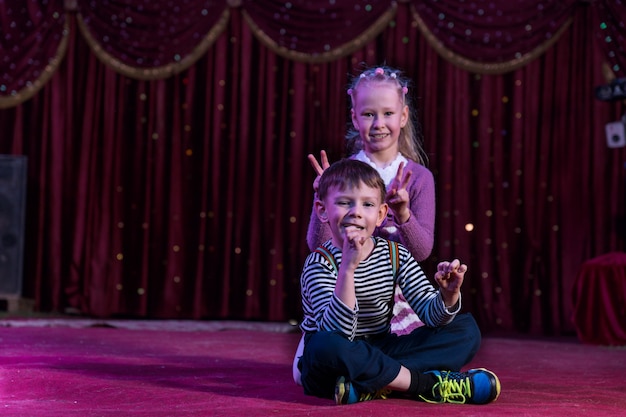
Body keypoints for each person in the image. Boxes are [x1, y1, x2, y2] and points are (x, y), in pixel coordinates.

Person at [297, 158, 500, 405]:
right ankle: (427, 385)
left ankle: (370, 384)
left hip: (381, 349)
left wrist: (448, 296)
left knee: (466, 330)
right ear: (322, 210)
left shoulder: (396, 254)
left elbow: (431, 315)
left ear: (381, 214)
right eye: (343, 202)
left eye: (368, 204)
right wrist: (347, 270)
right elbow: (338, 332)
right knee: (323, 345)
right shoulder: (319, 263)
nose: (356, 212)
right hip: (339, 356)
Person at [307, 65, 435, 335]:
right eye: (368, 114)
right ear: (355, 119)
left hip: (398, 300)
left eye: (388, 113)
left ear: (403, 116)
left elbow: (422, 252)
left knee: (458, 333)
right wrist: (322, 196)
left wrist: (402, 214)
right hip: (349, 290)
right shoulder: (341, 175)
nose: (378, 124)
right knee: (337, 343)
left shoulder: (419, 178)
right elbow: (319, 246)